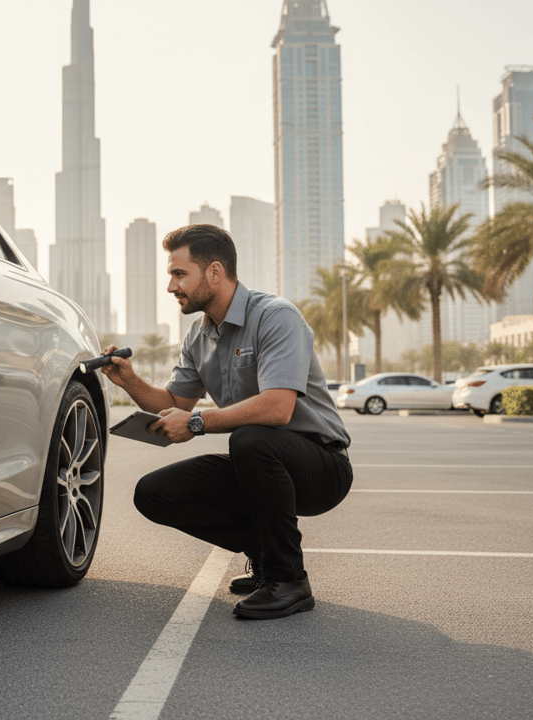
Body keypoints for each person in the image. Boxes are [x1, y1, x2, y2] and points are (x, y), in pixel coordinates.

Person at [100, 224, 353, 620]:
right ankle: (267, 556)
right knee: (153, 493)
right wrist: (129, 381)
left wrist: (198, 424)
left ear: (214, 272)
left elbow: (278, 409)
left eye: (179, 274)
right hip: (259, 463)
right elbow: (173, 403)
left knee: (251, 439)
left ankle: (289, 580)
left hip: (320, 465)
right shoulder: (198, 337)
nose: (170, 286)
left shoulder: (275, 317)